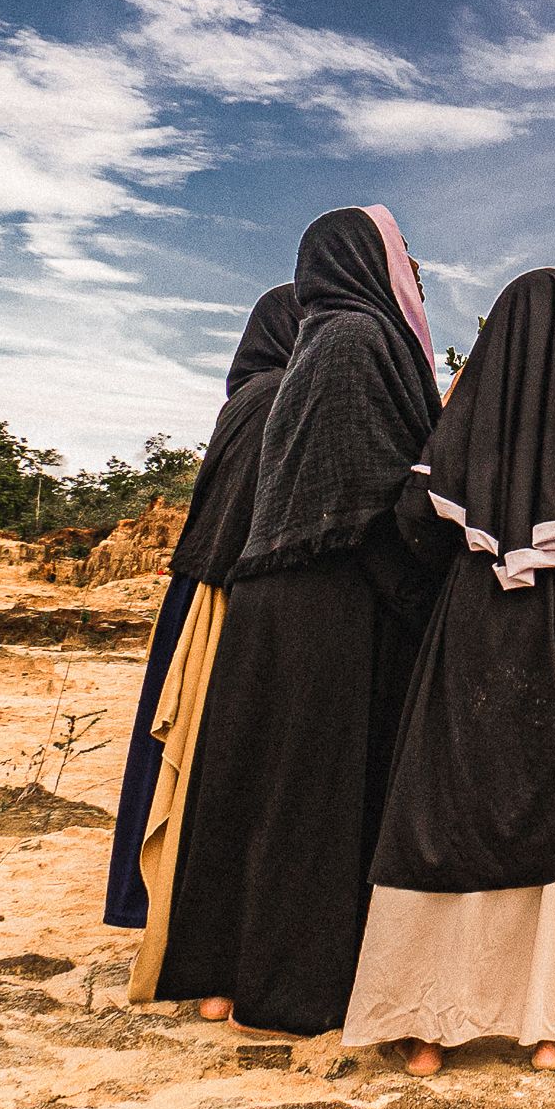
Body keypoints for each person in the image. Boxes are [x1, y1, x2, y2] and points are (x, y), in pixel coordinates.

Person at [343, 269, 555, 1077]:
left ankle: (425, 1032)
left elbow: (415, 522)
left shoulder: (469, 418)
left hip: (475, 628)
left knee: (447, 808)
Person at [155, 207, 441, 1036]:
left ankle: (224, 975)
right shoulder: (356, 340)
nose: (411, 269)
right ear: (364, 261)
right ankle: (291, 990)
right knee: (314, 795)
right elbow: (367, 489)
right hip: (332, 601)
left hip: (277, 597)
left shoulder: (316, 345)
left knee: (255, 786)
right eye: (402, 253)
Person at [108, 284, 301, 999]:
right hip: (232, 600)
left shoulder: (244, 400)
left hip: (205, 590)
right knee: (224, 766)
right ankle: (213, 950)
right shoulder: (276, 399)